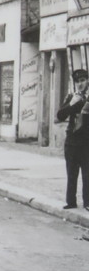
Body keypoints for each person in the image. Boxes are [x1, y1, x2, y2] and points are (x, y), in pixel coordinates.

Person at [57, 69, 89, 209]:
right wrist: (71, 104)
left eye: (83, 80)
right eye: (77, 81)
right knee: (71, 173)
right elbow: (60, 116)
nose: (80, 84)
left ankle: (87, 202)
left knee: (87, 174)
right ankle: (71, 202)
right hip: (72, 141)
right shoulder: (71, 97)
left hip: (87, 141)